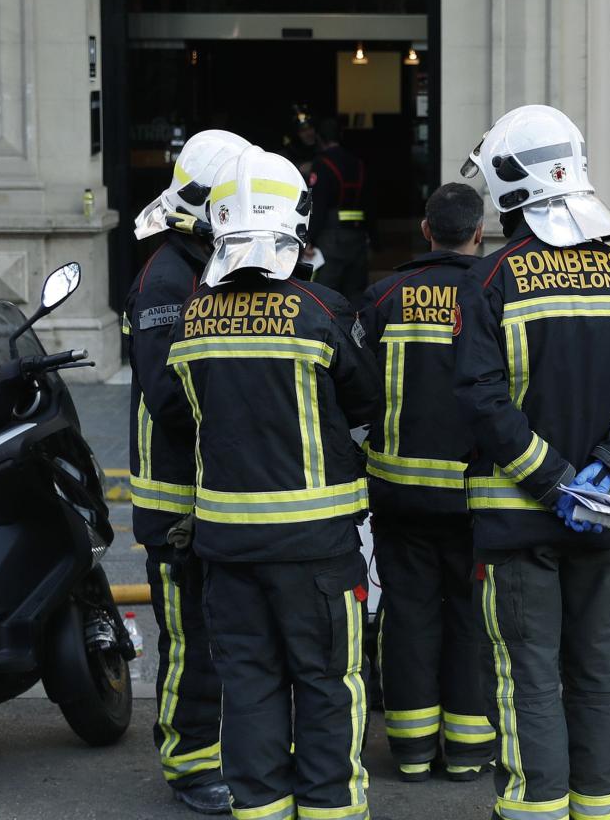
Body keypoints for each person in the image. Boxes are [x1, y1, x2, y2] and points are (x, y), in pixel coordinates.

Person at [453, 104, 610, 820]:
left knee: (528, 676)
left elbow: (479, 396)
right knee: (597, 675)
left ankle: (532, 810)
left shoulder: (493, 278)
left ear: (510, 186)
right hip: (606, 520)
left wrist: (550, 480)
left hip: (516, 523)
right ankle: (602, 809)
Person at [154, 148, 380, 820]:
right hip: (316, 548)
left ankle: (260, 811)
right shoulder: (322, 309)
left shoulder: (194, 315)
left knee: (247, 686)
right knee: (327, 684)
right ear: (296, 224)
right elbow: (368, 402)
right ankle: (331, 811)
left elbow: (172, 411)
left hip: (227, 545)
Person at [123, 129, 247, 815]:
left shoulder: (208, 265)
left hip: (212, 491)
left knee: (221, 632)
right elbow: (170, 397)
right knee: (191, 637)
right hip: (176, 499)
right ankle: (191, 764)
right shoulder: (169, 277)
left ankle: (215, 746)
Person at [356, 182, 495, 783]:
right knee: (469, 617)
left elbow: (355, 393)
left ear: (425, 230)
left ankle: (410, 752)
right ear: (479, 233)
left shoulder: (382, 296)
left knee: (409, 615)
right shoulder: (495, 291)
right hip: (476, 497)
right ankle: (466, 754)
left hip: (399, 494)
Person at [306, 118, 371, 297]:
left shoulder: (321, 164)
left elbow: (317, 205)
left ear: (319, 138)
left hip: (331, 240)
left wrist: (308, 239)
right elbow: (369, 203)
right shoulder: (358, 163)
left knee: (326, 296)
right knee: (355, 296)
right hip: (358, 238)